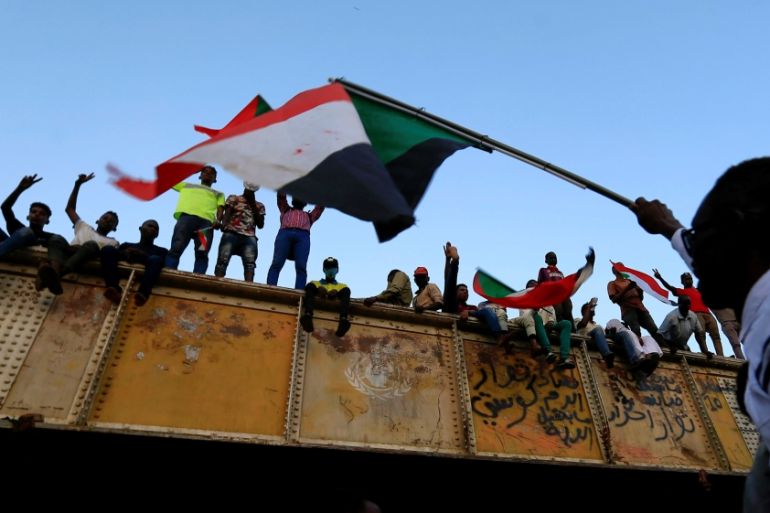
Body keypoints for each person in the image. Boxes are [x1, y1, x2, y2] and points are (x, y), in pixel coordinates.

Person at [633, 157, 770, 510]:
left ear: (735, 233)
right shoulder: (746, 277)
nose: (696, 258)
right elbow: (703, 253)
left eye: (703, 236)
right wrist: (669, 228)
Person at [37, 173, 119, 295]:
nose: (107, 221)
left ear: (114, 228)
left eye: (112, 222)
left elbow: (106, 258)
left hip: (86, 256)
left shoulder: (113, 242)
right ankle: (54, 271)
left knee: (92, 244)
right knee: (56, 238)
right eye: (105, 218)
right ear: (97, 220)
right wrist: (77, 185)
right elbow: (69, 209)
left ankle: (57, 275)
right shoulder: (84, 226)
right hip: (71, 251)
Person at [164, 165, 225, 274]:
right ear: (199, 175)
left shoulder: (219, 194)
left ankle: (199, 275)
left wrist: (218, 220)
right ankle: (168, 271)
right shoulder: (186, 185)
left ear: (215, 179)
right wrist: (190, 171)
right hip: (186, 219)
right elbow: (168, 179)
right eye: (205, 171)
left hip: (205, 225)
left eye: (211, 173)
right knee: (177, 247)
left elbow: (221, 208)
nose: (208, 173)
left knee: (202, 252)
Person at [654, 268, 723, 356]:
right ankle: (705, 352)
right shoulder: (682, 292)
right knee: (701, 334)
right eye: (686, 279)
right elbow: (670, 287)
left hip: (708, 314)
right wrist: (660, 278)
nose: (689, 280)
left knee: (716, 336)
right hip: (696, 314)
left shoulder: (698, 290)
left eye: (690, 278)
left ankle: (721, 355)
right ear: (682, 282)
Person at [101, 219, 168, 307]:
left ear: (157, 234)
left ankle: (143, 294)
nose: (153, 229)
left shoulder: (161, 251)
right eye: (150, 226)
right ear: (140, 228)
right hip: (126, 260)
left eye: (156, 228)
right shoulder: (126, 245)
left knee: (156, 259)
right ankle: (113, 288)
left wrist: (142, 255)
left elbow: (161, 264)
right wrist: (125, 253)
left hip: (148, 262)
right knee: (108, 249)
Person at [266, 192, 324, 289]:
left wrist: (324, 193)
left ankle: (299, 290)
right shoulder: (285, 209)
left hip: (302, 237)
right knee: (277, 263)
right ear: (293, 200)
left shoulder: (309, 216)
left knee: (301, 266)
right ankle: (270, 287)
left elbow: (320, 207)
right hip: (285, 234)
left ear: (305, 203)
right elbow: (281, 196)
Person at [214, 182, 265, 282]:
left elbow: (260, 225)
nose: (250, 191)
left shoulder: (259, 205)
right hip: (231, 232)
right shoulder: (234, 198)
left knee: (250, 263)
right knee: (223, 259)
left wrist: (253, 204)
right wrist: (223, 225)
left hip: (249, 236)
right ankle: (217, 282)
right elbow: (227, 214)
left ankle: (249, 286)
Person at [607, 263, 665, 347]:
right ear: (613, 270)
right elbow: (614, 299)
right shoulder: (612, 283)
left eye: (622, 266)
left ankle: (664, 347)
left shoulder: (630, 281)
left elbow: (640, 298)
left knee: (653, 328)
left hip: (641, 308)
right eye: (618, 266)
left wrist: (640, 291)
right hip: (628, 310)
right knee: (636, 330)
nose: (620, 267)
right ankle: (639, 349)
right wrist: (627, 288)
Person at [0, 175, 57, 259]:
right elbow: (5, 208)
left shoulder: (50, 237)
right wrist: (20, 188)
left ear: (47, 221)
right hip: (7, 248)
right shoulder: (17, 228)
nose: (37, 214)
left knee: (27, 231)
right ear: (27, 217)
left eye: (42, 214)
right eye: (33, 212)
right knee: (25, 231)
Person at [299, 257, 351, 337]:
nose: (330, 270)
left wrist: (337, 294)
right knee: (310, 287)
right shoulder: (315, 283)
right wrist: (318, 291)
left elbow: (345, 294)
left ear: (337, 270)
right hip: (318, 297)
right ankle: (308, 316)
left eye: (333, 268)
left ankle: (343, 320)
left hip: (336, 300)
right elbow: (308, 289)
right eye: (328, 268)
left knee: (346, 291)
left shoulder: (342, 287)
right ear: (324, 270)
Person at [574, 299, 615, 368]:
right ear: (584, 312)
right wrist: (589, 307)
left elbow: (603, 338)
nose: (592, 309)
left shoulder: (598, 326)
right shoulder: (578, 320)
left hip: (597, 344)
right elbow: (583, 323)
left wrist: (612, 332)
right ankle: (606, 355)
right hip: (586, 342)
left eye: (592, 307)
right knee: (598, 329)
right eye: (588, 308)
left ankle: (609, 358)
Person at [538, 251, 574, 326]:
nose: (553, 259)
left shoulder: (560, 273)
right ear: (546, 260)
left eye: (555, 258)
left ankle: (572, 328)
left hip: (563, 294)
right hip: (552, 294)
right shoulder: (543, 270)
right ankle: (560, 325)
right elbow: (540, 284)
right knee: (558, 310)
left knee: (568, 309)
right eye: (551, 258)